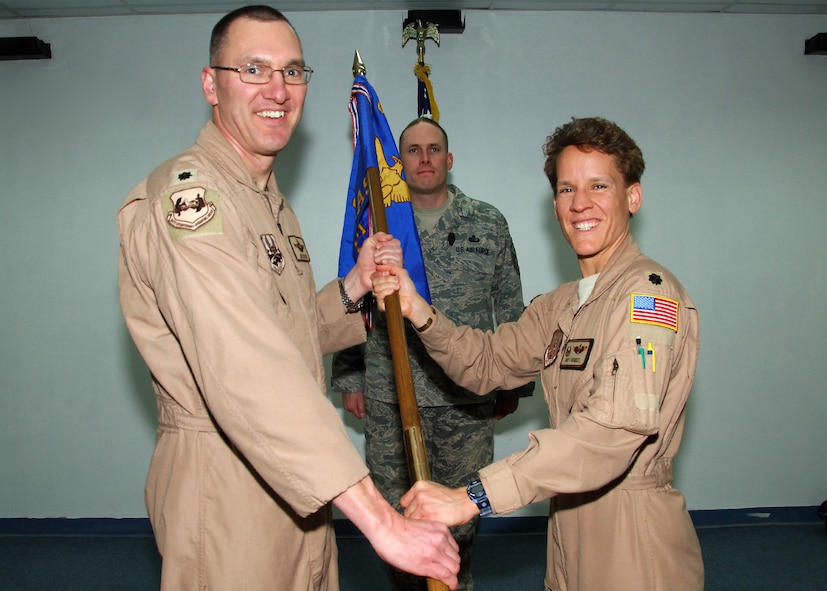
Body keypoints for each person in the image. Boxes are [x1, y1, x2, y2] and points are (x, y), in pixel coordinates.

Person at [116, 6, 459, 591]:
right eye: (254, 69)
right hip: (227, 485)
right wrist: (380, 520)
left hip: (296, 474)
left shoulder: (267, 200)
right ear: (211, 83)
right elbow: (244, 365)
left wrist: (354, 286)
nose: (278, 90)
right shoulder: (192, 199)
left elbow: (286, 329)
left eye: (293, 72)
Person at [373, 117, 704, 590]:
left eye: (598, 185)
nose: (580, 203)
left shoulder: (647, 298)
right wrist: (419, 310)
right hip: (569, 518)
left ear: (633, 197)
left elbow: (613, 427)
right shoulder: (563, 304)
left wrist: (474, 496)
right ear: (554, 204)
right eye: (567, 189)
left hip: (631, 533)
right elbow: (487, 362)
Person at [332, 117, 533, 590]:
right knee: (395, 510)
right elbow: (351, 301)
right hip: (389, 395)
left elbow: (509, 303)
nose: (424, 158)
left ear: (449, 159)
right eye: (414, 150)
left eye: (434, 149)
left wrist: (514, 383)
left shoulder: (488, 221)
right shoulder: (377, 226)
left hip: (465, 397)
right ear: (399, 162)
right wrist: (350, 379)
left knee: (461, 515)